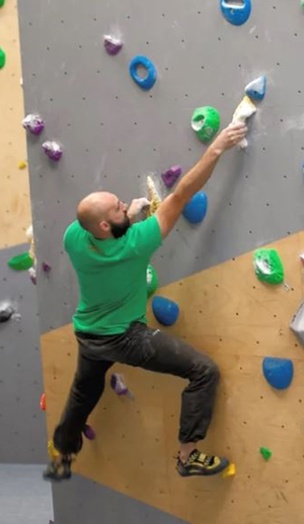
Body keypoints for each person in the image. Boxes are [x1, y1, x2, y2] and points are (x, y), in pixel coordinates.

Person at [43, 122, 249, 481]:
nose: (127, 206)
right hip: (125, 338)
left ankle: (63, 450)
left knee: (83, 392)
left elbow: (101, 226)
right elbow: (183, 193)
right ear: (107, 227)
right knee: (204, 371)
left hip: (89, 336)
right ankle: (188, 457)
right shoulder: (137, 243)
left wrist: (128, 216)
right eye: (121, 209)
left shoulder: (75, 237)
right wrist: (217, 148)